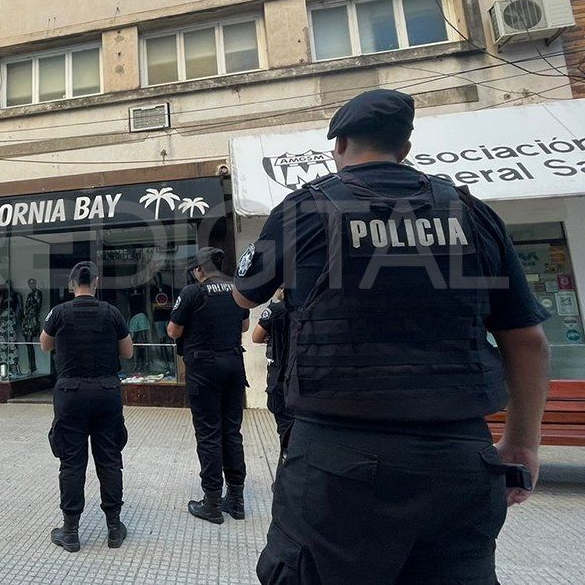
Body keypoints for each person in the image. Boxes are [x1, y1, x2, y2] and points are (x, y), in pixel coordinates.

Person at [234, 89, 552, 584]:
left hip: (338, 459)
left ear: (339, 146)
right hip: (461, 456)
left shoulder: (304, 209)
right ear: (404, 148)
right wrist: (523, 442)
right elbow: (526, 339)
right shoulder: (471, 212)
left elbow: (244, 296)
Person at [40, 261, 133, 552]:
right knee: (109, 460)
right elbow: (128, 351)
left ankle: (70, 533)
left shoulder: (59, 312)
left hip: (71, 395)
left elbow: (45, 345)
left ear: (72, 284)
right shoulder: (111, 312)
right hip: (106, 393)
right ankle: (114, 529)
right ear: (96, 282)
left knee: (71, 463)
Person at [167, 247, 250, 524]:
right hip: (234, 364)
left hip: (204, 369)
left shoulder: (193, 292)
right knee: (232, 431)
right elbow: (245, 327)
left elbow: (173, 330)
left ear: (200, 269)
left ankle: (212, 502)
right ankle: (236, 500)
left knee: (209, 433)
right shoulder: (237, 288)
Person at [251, 289, 293, 442]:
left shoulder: (275, 309)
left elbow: (256, 337)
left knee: (285, 427)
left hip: (280, 377)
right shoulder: (309, 306)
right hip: (305, 376)